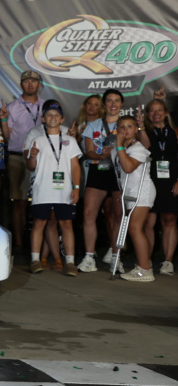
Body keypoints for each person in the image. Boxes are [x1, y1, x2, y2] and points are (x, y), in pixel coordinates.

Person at [24, 101, 82, 275]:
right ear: (43, 119)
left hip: (65, 190)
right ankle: (35, 260)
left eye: (57, 115)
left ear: (62, 119)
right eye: (49, 115)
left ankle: (70, 262)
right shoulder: (37, 140)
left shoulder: (70, 141)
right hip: (42, 189)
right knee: (39, 223)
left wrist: (76, 187)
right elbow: (31, 166)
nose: (53, 118)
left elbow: (75, 166)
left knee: (66, 224)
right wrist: (32, 157)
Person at [78, 90, 124, 273]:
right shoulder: (93, 125)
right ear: (104, 104)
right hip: (98, 168)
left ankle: (116, 257)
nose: (113, 104)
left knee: (118, 216)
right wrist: (101, 156)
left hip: (120, 171)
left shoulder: (126, 124)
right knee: (89, 213)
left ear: (121, 104)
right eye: (109, 101)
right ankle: (89, 257)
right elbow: (89, 151)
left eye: (117, 101)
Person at [0, 70, 44, 255]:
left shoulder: (46, 106)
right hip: (18, 157)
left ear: (39, 84)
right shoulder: (12, 107)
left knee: (43, 201)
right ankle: (19, 244)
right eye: (26, 81)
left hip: (43, 158)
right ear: (21, 85)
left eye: (34, 81)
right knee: (19, 202)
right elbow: (6, 136)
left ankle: (40, 244)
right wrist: (3, 120)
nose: (30, 84)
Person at [112, 115, 156, 281]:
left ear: (136, 130)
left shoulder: (138, 148)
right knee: (135, 228)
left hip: (142, 190)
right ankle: (144, 265)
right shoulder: (118, 149)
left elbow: (129, 167)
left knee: (135, 228)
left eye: (129, 126)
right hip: (129, 191)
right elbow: (120, 173)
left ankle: (144, 270)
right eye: (122, 127)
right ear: (117, 129)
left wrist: (119, 147)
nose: (125, 130)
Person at [137, 97, 178, 276]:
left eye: (159, 110)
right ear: (147, 114)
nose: (156, 113)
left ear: (166, 113)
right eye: (152, 110)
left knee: (169, 219)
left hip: (172, 180)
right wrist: (140, 126)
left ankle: (168, 261)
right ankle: (146, 260)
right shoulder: (144, 131)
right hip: (150, 179)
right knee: (149, 221)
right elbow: (146, 145)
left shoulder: (175, 131)